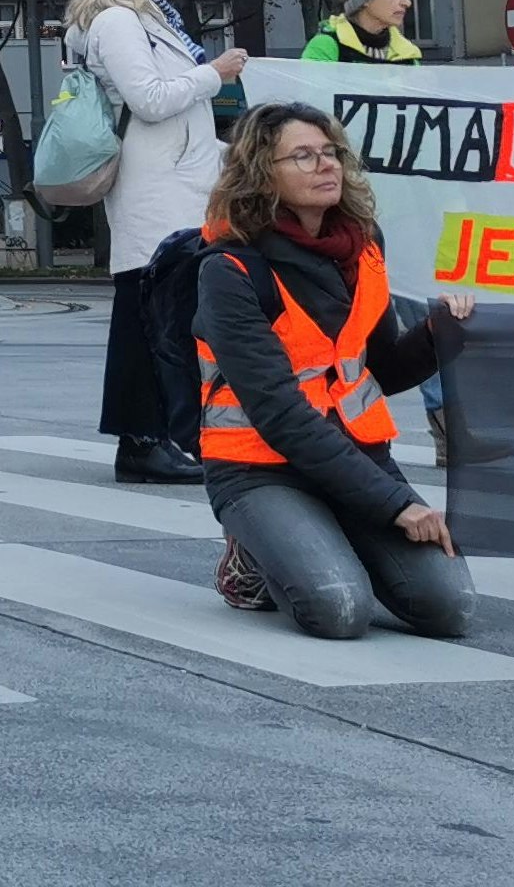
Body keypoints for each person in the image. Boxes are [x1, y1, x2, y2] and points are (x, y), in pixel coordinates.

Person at [193, 103, 477, 639]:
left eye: (331, 153)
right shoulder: (229, 269)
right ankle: (253, 561)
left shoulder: (363, 245)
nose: (326, 166)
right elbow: (279, 414)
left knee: (450, 606)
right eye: (303, 156)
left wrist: (440, 334)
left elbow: (380, 368)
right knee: (338, 610)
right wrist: (395, 506)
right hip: (260, 470)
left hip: (357, 459)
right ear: (260, 172)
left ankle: (327, 539)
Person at [292, 0, 498, 467]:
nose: (406, 2)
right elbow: (308, 118)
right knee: (366, 326)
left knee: (439, 315)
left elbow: (426, 135)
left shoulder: (407, 55)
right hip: (356, 214)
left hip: (413, 207)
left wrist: (451, 200)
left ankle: (453, 431)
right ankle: (342, 426)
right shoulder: (324, 51)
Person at [65, 0, 249, 487]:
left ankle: (160, 438)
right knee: (153, 322)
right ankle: (146, 441)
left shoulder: (147, 21)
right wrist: (212, 76)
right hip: (155, 194)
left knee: (164, 321)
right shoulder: (119, 22)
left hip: (177, 186)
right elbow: (149, 101)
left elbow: (176, 118)